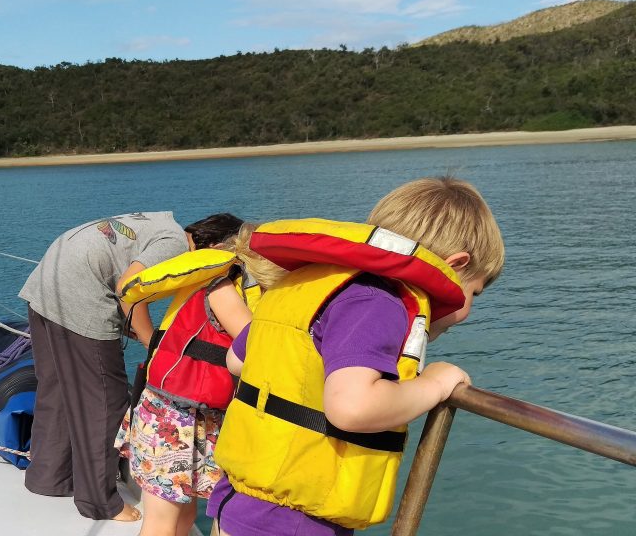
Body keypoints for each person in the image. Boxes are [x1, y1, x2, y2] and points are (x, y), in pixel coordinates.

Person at [207, 176, 506, 536]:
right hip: (290, 522)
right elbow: (353, 407)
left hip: (237, 504)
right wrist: (435, 384)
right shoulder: (377, 302)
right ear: (454, 266)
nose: (468, 310)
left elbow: (238, 361)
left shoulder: (310, 283)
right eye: (474, 292)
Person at [19, 211, 244, 522]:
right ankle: (99, 502)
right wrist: (152, 341)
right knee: (106, 400)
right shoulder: (175, 246)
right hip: (80, 293)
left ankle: (48, 477)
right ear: (218, 248)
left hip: (47, 282)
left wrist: (134, 327)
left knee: (55, 389)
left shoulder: (161, 224)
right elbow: (128, 289)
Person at [114, 223, 289, 536]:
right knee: (161, 520)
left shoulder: (243, 288)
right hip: (172, 417)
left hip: (199, 415)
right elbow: (257, 347)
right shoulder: (223, 287)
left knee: (186, 511)